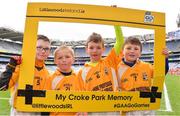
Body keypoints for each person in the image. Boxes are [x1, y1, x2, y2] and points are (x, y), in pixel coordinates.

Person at [117, 36, 169, 116]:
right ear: (122, 51)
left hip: (146, 107)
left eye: (136, 49)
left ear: (140, 53)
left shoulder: (147, 66)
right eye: (128, 48)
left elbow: (161, 72)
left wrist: (164, 59)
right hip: (127, 109)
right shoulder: (117, 69)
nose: (132, 51)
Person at [77, 26, 124, 115]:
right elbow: (80, 95)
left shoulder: (110, 61)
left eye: (98, 47)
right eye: (91, 48)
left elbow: (120, 42)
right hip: (93, 112)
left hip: (112, 111)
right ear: (86, 50)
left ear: (103, 49)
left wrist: (116, 23)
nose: (95, 50)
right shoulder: (81, 72)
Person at [0, 35, 51, 115]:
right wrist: (11, 67)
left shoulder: (47, 73)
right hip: (21, 112)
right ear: (32, 48)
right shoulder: (20, 66)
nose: (43, 51)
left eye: (46, 48)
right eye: (39, 47)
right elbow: (2, 86)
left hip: (38, 111)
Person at [46, 45, 82, 116]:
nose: (64, 60)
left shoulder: (79, 78)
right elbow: (45, 102)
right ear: (55, 61)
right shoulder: (50, 78)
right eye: (60, 58)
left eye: (67, 57)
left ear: (73, 59)